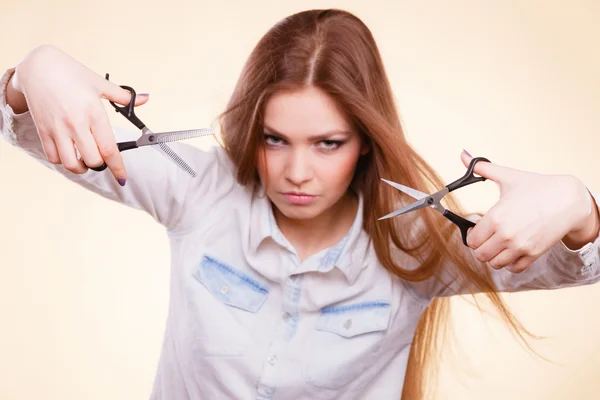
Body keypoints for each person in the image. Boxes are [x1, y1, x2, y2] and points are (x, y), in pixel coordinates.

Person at [2, 8, 599, 400]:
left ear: (366, 141)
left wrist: (579, 207)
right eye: (274, 139)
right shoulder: (199, 187)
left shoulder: (419, 245)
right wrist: (36, 70)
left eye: (328, 144)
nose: (295, 172)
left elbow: (585, 259)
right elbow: (24, 121)